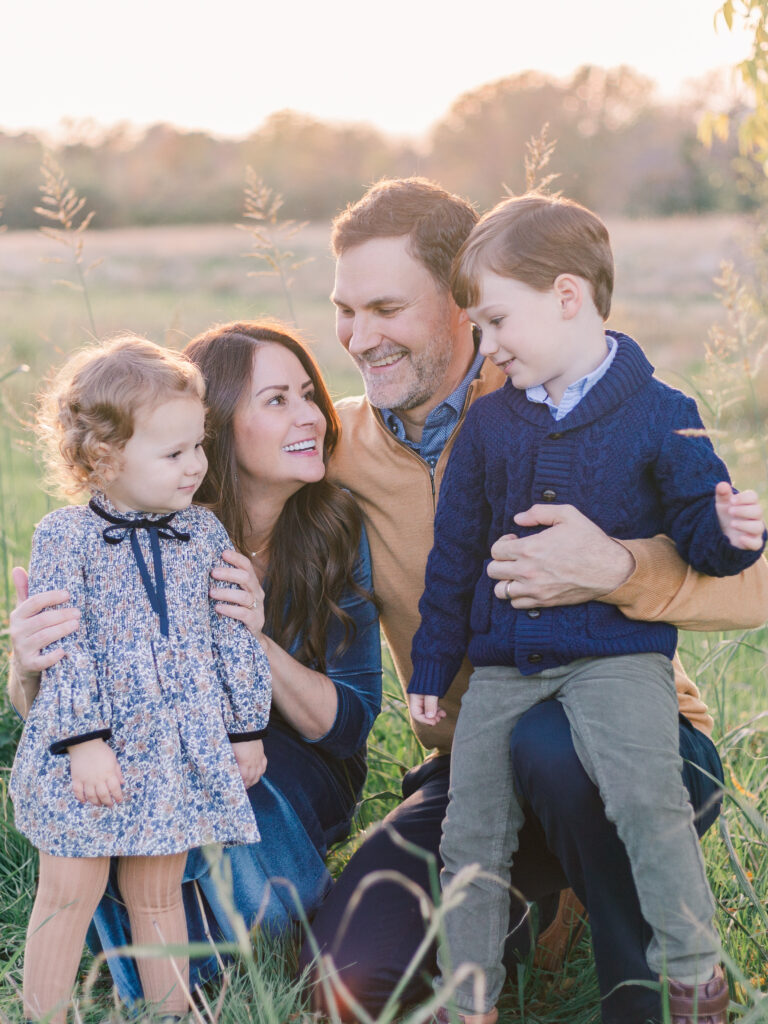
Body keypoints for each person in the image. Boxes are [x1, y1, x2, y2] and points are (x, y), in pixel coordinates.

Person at [301, 177, 768, 1024]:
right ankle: (530, 922)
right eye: (344, 309)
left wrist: (616, 567)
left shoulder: (576, 399)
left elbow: (752, 585)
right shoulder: (336, 451)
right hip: (474, 761)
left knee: (555, 746)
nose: (358, 338)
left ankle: (650, 986)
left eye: (385, 308)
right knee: (348, 979)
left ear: (464, 302)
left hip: (631, 742)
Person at [8, 321, 381, 1006]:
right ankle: (75, 998)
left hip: (246, 762)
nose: (310, 416)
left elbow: (342, 715)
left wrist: (246, 686)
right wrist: (41, 683)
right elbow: (64, 666)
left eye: (308, 393)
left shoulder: (314, 529)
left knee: (198, 892)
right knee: (92, 869)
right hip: (122, 753)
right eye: (276, 400)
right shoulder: (96, 532)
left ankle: (180, 992)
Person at [10, 335, 271, 1023]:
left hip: (172, 750)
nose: (197, 466)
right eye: (175, 452)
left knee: (158, 891)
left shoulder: (206, 536)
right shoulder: (66, 537)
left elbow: (229, 636)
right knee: (71, 889)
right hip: (87, 750)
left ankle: (171, 1013)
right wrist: (85, 742)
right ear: (105, 457)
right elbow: (65, 647)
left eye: (199, 446)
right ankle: (43, 1014)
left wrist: (244, 726)